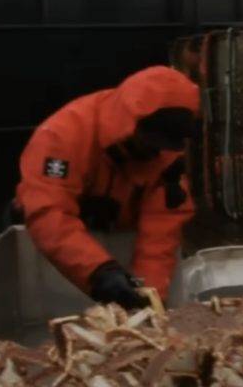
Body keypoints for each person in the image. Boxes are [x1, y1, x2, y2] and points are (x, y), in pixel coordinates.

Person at [15, 67, 199, 309]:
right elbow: (49, 213)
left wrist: (150, 297)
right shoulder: (63, 135)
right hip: (54, 252)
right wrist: (98, 272)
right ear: (130, 123)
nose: (155, 151)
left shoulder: (166, 153)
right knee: (47, 310)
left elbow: (162, 228)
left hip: (119, 239)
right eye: (150, 142)